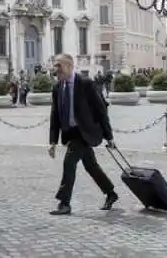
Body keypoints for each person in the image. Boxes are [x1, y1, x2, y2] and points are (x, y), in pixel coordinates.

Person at [48, 53, 119, 215]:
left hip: (86, 131)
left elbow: (101, 110)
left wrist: (109, 136)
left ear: (70, 66)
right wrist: (52, 141)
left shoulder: (86, 84)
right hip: (70, 132)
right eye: (55, 65)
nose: (56, 69)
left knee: (69, 162)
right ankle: (111, 193)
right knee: (91, 166)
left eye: (59, 65)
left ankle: (64, 203)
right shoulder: (58, 87)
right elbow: (55, 115)